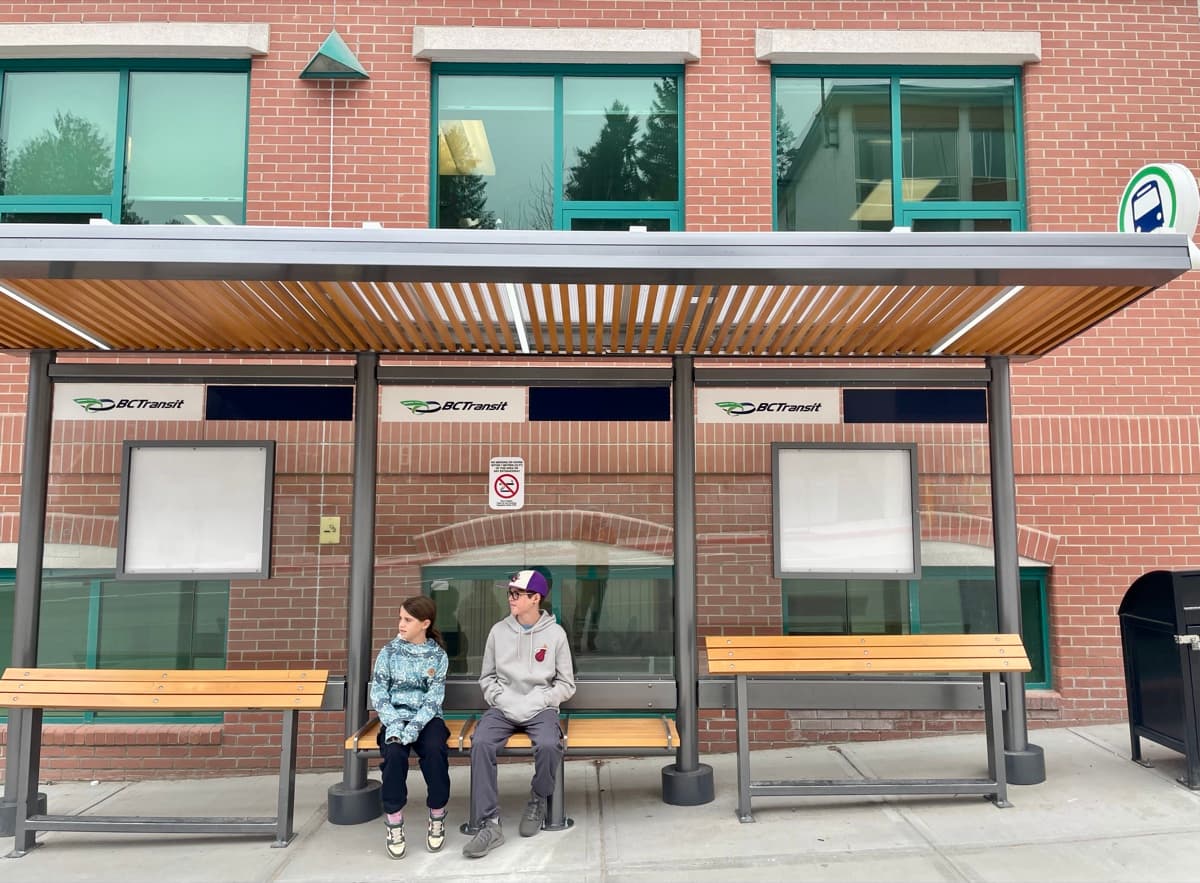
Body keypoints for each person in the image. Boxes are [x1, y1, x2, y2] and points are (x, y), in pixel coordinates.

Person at [462, 568, 576, 859]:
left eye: (517, 593)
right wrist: (500, 698)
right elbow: (487, 677)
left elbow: (566, 684)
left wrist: (543, 699)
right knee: (481, 744)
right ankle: (490, 823)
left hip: (540, 708)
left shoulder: (555, 634)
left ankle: (538, 799)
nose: (510, 598)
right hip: (503, 708)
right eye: (509, 593)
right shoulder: (498, 631)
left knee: (549, 745)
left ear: (536, 598)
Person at [369, 595, 451, 860]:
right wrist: (394, 725)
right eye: (400, 618)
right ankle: (394, 820)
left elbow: (434, 699)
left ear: (425, 624)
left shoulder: (438, 656)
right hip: (395, 718)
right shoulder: (389, 652)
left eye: (408, 619)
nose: (401, 624)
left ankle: (437, 813)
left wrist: (414, 728)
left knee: (435, 750)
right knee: (394, 753)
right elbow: (379, 693)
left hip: (427, 719)